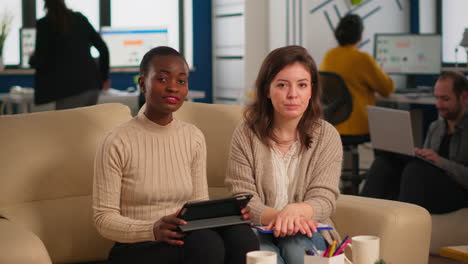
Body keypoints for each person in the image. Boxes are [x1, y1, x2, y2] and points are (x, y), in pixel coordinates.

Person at [93, 46, 258, 264]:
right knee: (206, 244)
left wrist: (228, 216)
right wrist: (152, 229)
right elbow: (103, 219)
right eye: (163, 79)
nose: (173, 88)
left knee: (241, 234)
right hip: (137, 246)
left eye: (181, 81)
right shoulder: (116, 141)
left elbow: (199, 204)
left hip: (185, 238)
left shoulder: (193, 137)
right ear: (143, 84)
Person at [225, 45, 343, 264]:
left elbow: (324, 198)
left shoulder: (327, 136)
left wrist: (297, 211)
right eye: (282, 85)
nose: (293, 94)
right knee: (266, 256)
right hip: (258, 229)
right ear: (267, 90)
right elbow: (242, 198)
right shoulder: (245, 134)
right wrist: (282, 218)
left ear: (311, 91)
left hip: (309, 230)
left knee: (296, 245)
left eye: (302, 85)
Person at [361, 71, 468, 214]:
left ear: (464, 97)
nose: (438, 104)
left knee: (415, 170)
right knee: (384, 163)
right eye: (436, 98)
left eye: (445, 99)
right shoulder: (435, 127)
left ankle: (405, 225)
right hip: (431, 185)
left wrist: (441, 162)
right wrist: (420, 155)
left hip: (458, 192)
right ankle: (364, 219)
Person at [320, 14, 394, 136]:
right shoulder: (362, 58)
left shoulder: (329, 56)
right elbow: (387, 89)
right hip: (359, 126)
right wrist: (383, 73)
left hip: (333, 124)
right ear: (360, 35)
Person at [30, 0, 110, 110]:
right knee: (86, 126)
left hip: (69, 90)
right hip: (92, 86)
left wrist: (31, 58)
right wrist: (104, 78)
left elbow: (40, 59)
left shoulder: (45, 24)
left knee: (66, 126)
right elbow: (103, 49)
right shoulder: (80, 19)